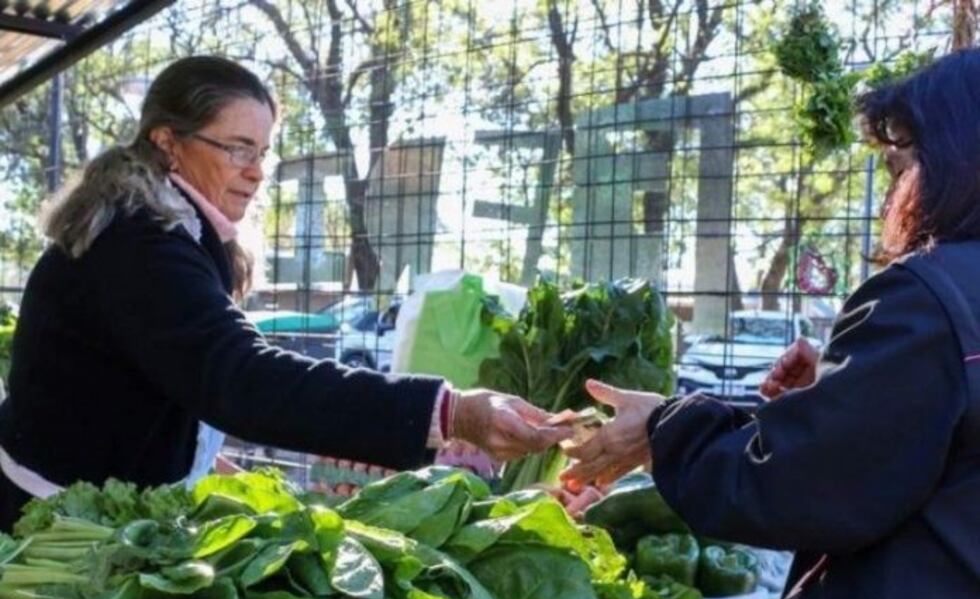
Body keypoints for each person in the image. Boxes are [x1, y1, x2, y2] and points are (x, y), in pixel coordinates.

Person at [0, 56, 569, 531]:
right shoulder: (139, 244)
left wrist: (201, 461)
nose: (257, 172)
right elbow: (240, 376)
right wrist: (449, 410)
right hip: (54, 524)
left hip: (79, 501)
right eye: (238, 149)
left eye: (263, 152)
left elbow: (156, 376)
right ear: (168, 143)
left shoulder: (161, 230)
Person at [562, 49, 980, 599]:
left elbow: (802, 483)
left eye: (899, 167)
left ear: (955, 162)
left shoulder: (929, 296)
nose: (893, 192)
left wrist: (665, 428)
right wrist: (843, 395)